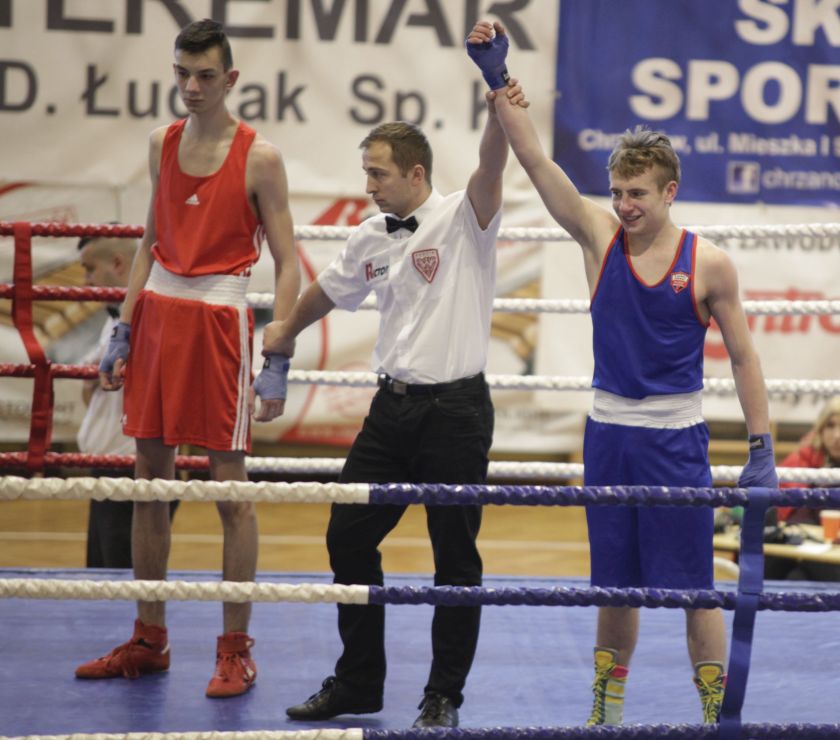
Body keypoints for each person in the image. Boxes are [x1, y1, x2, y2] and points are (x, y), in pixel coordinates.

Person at [466, 20, 778, 725]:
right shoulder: (598, 236)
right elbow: (535, 160)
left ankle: (714, 714)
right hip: (607, 436)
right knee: (614, 585)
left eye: (637, 193)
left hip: (677, 441)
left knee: (695, 588)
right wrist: (497, 78)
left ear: (670, 191)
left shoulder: (709, 264)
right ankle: (606, 708)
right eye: (617, 191)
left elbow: (744, 356)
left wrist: (762, 445)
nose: (624, 205)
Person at [255, 80, 526, 725]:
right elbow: (329, 289)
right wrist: (285, 332)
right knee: (347, 535)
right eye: (366, 173)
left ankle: (443, 695)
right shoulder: (370, 235)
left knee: (454, 557)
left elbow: (492, 164)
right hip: (391, 410)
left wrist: (497, 97)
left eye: (378, 174)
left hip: (456, 412)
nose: (369, 185)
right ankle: (359, 681)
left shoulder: (465, 218)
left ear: (416, 173)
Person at [74, 19, 301, 698]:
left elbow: (289, 261)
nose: (192, 87)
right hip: (158, 319)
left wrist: (279, 350)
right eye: (182, 74)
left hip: (220, 323)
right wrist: (124, 327)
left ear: (230, 79)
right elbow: (150, 240)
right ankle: (149, 638)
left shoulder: (260, 157)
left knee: (231, 488)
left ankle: (235, 650)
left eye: (205, 76)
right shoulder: (161, 144)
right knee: (149, 481)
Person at [76, 232, 175, 568]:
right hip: (108, 469)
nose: (86, 280)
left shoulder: (147, 319)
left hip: (130, 468)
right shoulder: (113, 320)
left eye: (90, 268)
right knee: (101, 577)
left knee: (119, 578)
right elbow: (89, 388)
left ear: (118, 264)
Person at [764, 396, 840, 581]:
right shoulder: (804, 460)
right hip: (809, 550)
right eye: (830, 426)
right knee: (792, 575)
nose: (837, 435)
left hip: (828, 558)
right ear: (820, 430)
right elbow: (784, 516)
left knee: (793, 573)